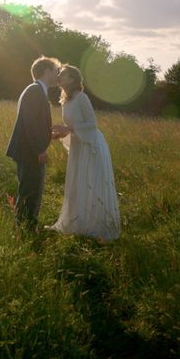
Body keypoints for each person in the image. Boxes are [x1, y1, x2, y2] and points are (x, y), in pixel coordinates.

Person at [49, 65, 121, 241]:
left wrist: (67, 128)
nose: (58, 77)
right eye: (58, 74)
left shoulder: (82, 98)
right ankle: (77, 222)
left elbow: (92, 124)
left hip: (91, 145)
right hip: (78, 144)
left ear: (72, 79)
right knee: (77, 181)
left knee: (90, 181)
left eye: (63, 75)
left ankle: (95, 224)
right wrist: (62, 133)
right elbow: (74, 127)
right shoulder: (65, 99)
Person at [6, 56, 61, 232]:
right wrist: (39, 149)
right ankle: (25, 229)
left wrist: (49, 134)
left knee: (32, 189)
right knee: (30, 191)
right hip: (29, 150)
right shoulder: (34, 90)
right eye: (55, 71)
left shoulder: (37, 90)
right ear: (46, 72)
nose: (57, 75)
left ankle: (27, 226)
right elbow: (29, 122)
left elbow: (34, 122)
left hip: (29, 148)